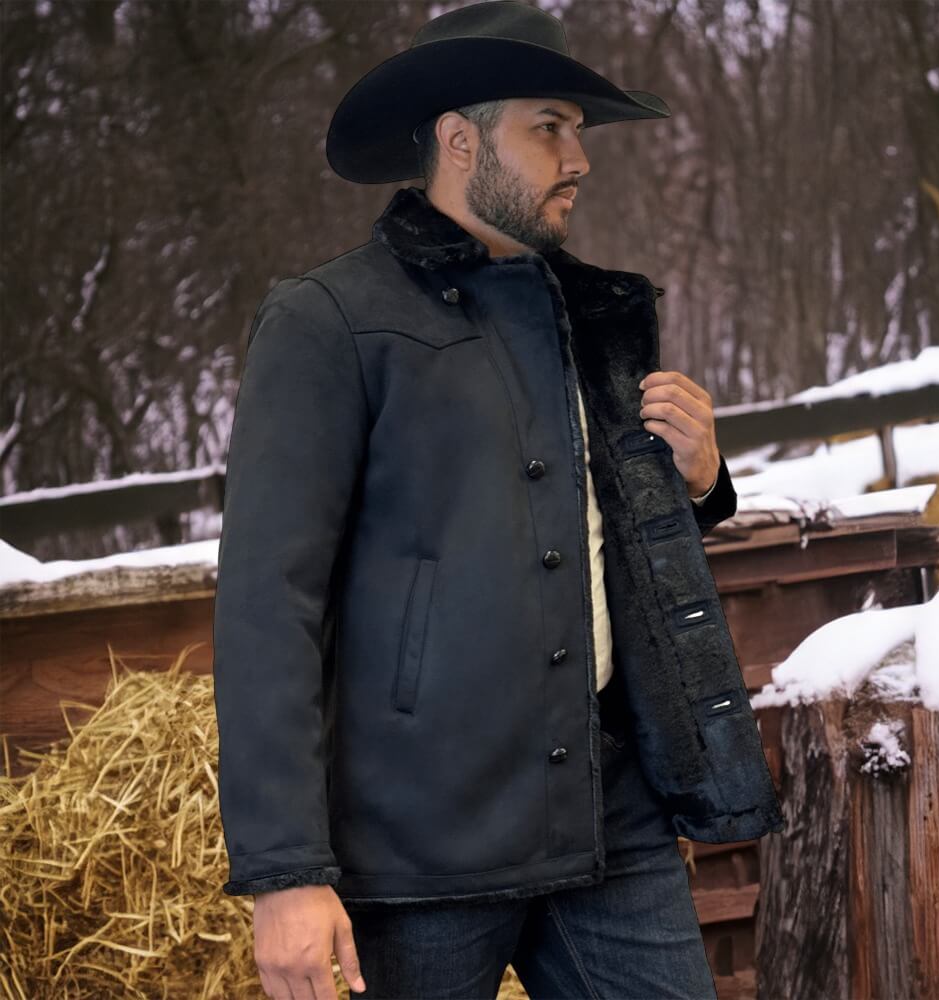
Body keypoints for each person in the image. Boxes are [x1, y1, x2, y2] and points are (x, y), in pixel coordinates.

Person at [211, 3, 785, 998]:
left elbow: (593, 537)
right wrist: (285, 871)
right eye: (548, 127)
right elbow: (269, 604)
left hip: (609, 817)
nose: (580, 158)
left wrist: (699, 484)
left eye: (578, 130)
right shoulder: (329, 321)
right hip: (418, 843)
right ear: (460, 139)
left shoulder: (594, 315)